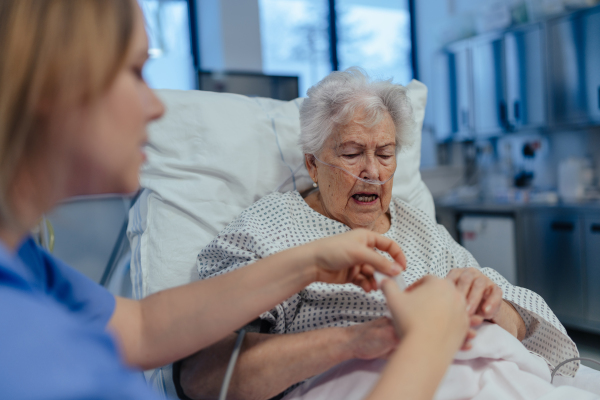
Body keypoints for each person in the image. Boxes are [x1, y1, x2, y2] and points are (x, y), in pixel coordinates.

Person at [0, 1, 472, 399]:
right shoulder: (23, 338)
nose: (158, 105)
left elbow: (143, 328)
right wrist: (428, 342)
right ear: (50, 84)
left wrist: (309, 263)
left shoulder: (26, 267)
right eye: (135, 72)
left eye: (385, 153)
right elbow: (201, 372)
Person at [184, 68, 580, 399]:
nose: (372, 172)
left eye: (385, 154)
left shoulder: (420, 226)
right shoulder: (268, 227)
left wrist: (493, 307)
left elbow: (530, 326)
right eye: (352, 153)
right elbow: (205, 373)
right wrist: (358, 338)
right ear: (313, 163)